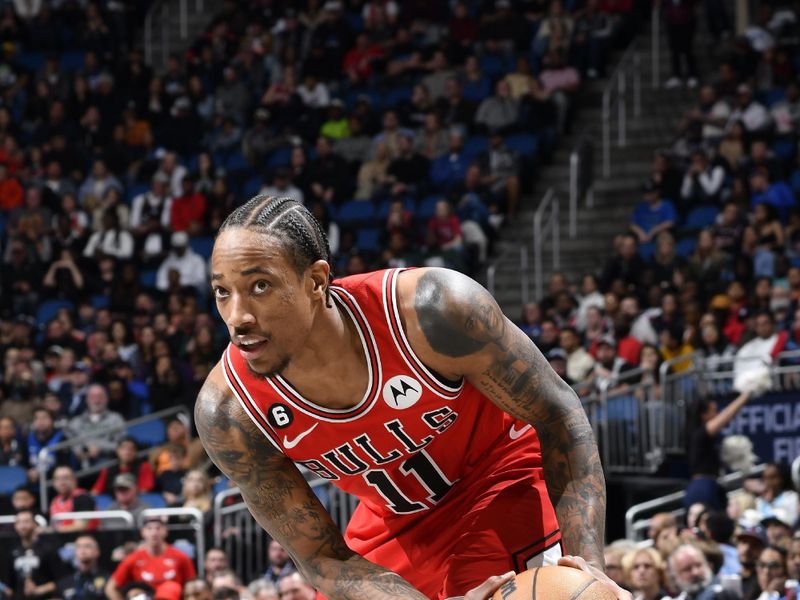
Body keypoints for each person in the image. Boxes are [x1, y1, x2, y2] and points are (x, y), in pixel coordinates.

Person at [195, 196, 627, 599]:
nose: (237, 318)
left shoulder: (432, 311)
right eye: (222, 292)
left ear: (316, 281)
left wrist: (588, 565)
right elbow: (321, 557)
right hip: (395, 523)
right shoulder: (230, 413)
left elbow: (558, 414)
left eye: (260, 287)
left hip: (501, 477)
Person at [105, 517, 196, 600]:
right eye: (149, 528)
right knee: (135, 594)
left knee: (171, 587)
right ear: (142, 532)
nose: (154, 533)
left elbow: (193, 586)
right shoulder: (133, 559)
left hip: (171, 596)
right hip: (145, 596)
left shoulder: (181, 557)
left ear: (165, 531)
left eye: (158, 528)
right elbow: (110, 588)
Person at [666, 544, 739, 600]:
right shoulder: (683, 597)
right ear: (675, 576)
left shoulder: (722, 592)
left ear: (708, 565)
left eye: (698, 565)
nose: (695, 572)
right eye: (687, 569)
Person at [55, 535, 110, 600]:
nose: (82, 550)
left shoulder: (109, 580)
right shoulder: (64, 583)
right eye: (78, 547)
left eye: (87, 546)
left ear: (97, 551)